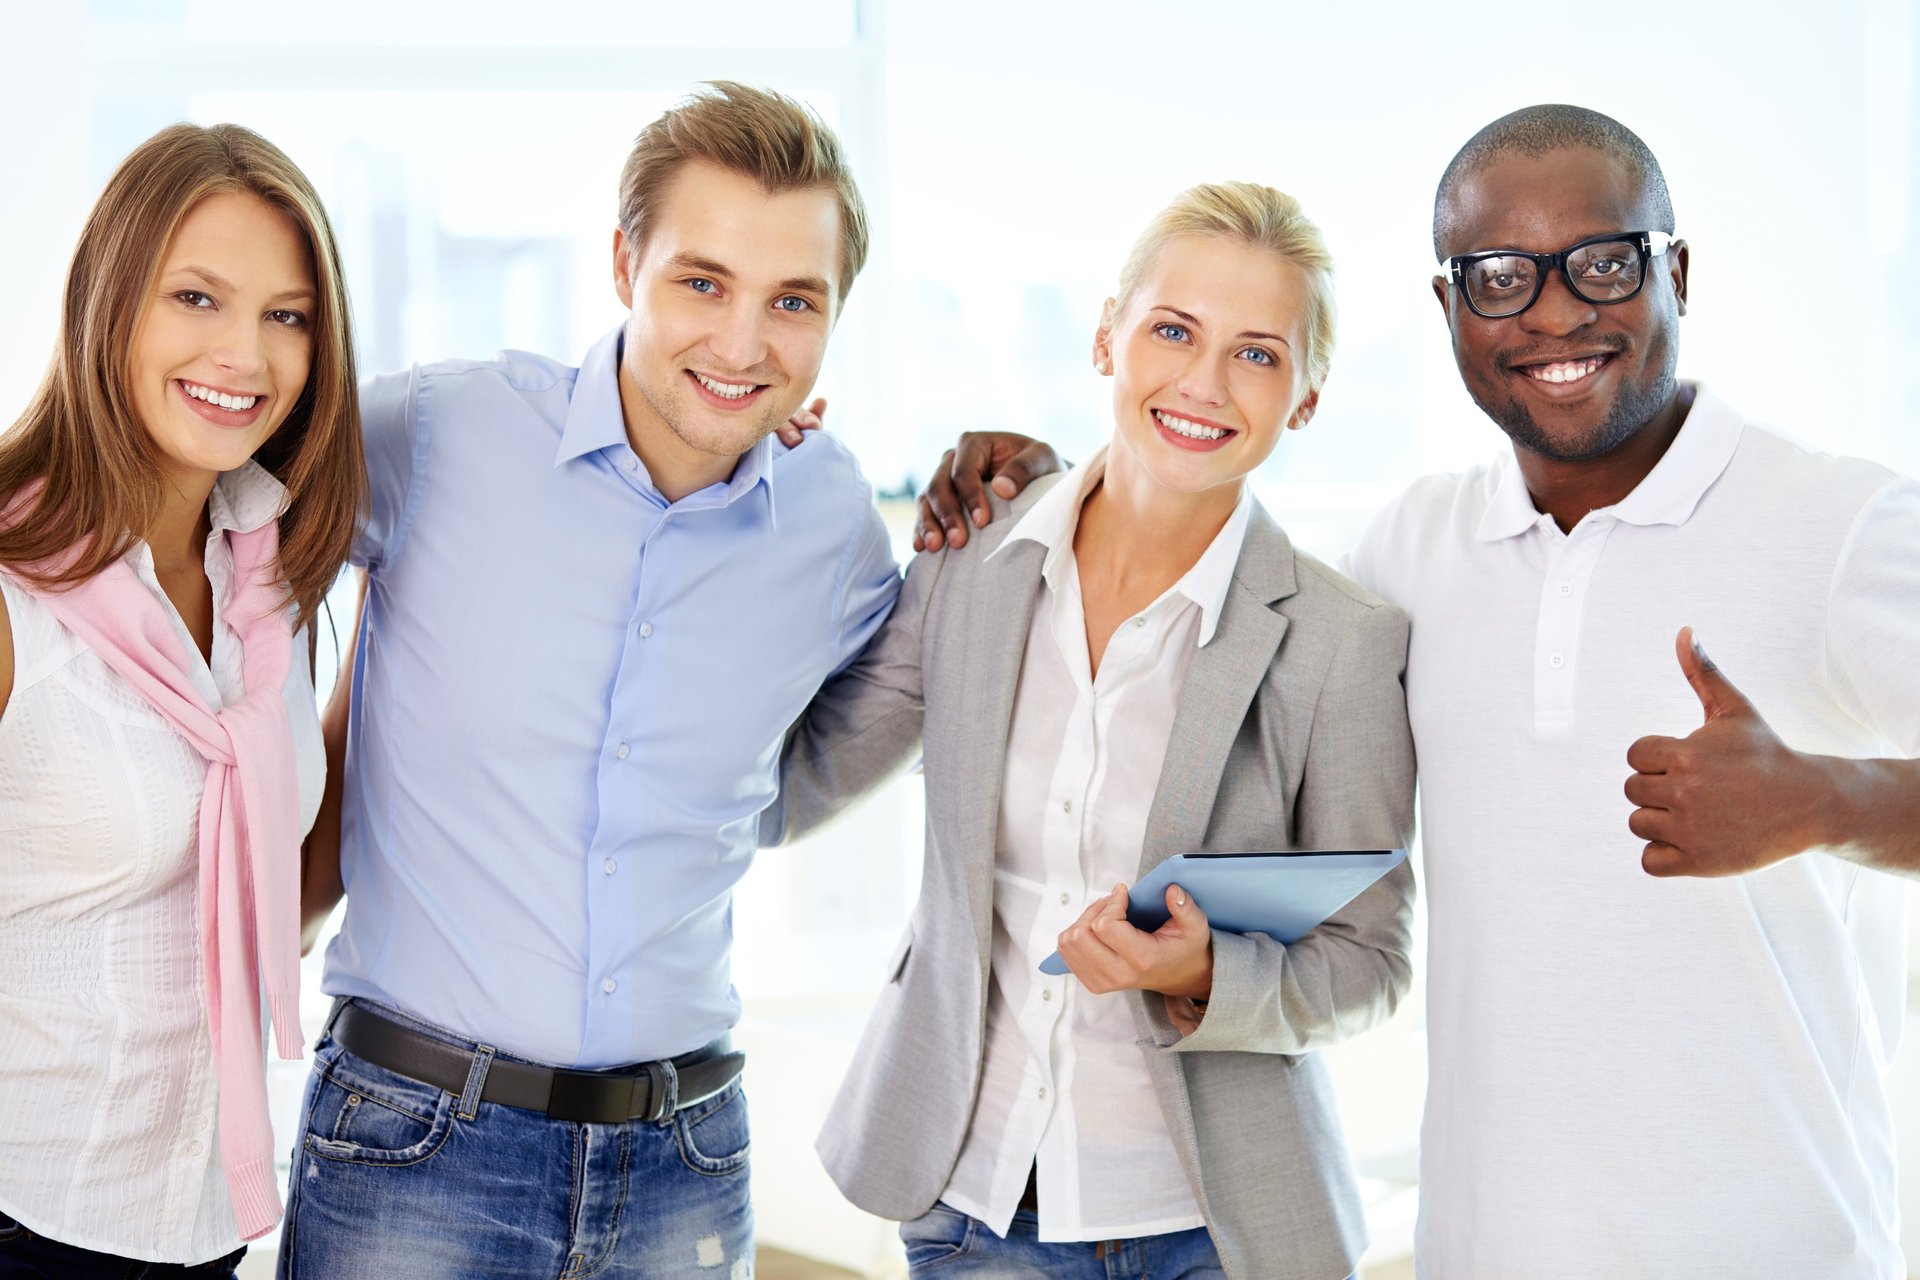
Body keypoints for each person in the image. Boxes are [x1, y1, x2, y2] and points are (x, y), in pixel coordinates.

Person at [919, 105, 1920, 1278]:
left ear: (1675, 271)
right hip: (1483, 1248)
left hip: (1778, 1246)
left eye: (1602, 262)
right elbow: (1201, 553)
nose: (1553, 312)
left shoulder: (1840, 523)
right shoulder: (1411, 553)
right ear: (1449, 309)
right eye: (1499, 276)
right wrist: (1023, 479)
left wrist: (1828, 802)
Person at [279, 83, 899, 1278]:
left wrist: (1004, 474)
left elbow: (957, 662)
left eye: (792, 302)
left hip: (685, 1162)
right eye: (701, 282)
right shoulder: (435, 434)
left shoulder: (833, 524)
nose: (741, 342)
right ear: (625, 263)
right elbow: (207, 516)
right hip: (415, 1142)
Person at [766, 182, 1416, 1280]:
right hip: (976, 1207)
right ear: (1108, 333)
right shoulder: (970, 562)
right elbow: (793, 786)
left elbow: (1371, 961)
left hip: (1217, 1224)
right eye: (1173, 330)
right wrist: (758, 495)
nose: (1204, 383)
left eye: (1258, 353)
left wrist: (1210, 971)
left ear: (1306, 396)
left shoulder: (1341, 643)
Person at [0, 123, 364, 1277]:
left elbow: (277, 878)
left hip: (202, 1227)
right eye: (197, 296)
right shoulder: (13, 594)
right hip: (25, 1205)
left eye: (287, 314)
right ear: (110, 301)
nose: (244, 353)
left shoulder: (266, 582)